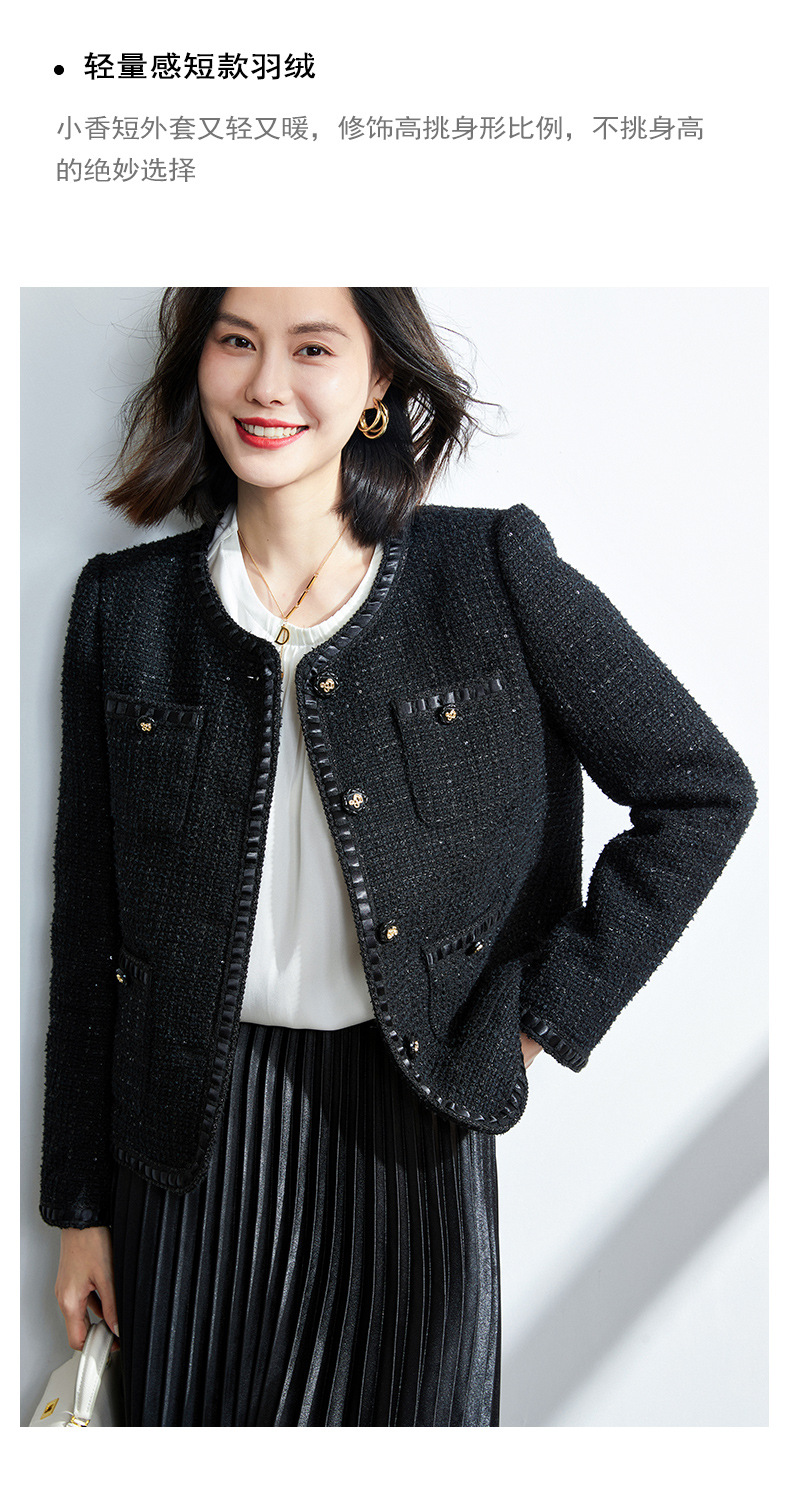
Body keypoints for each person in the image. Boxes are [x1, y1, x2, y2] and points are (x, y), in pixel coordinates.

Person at [39, 286, 756, 1427]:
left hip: (417, 1125)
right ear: (198, 362)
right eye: (236, 341)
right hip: (187, 1146)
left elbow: (701, 792)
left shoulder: (486, 571)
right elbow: (90, 928)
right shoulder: (126, 610)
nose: (267, 384)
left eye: (313, 348)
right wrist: (78, 1209)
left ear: (378, 380)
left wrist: (538, 1022)